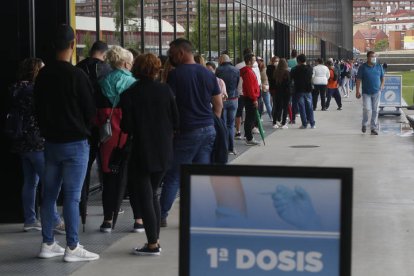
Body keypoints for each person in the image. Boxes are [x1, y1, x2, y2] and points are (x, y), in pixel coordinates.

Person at [34, 24, 98, 262]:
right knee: (72, 197)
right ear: (73, 45)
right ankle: (72, 247)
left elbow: (36, 109)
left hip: (51, 143)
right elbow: (90, 112)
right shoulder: (76, 75)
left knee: (48, 194)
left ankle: (48, 243)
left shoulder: (43, 75)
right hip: (75, 143)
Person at [159, 38, 222, 227]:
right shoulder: (207, 73)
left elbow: (169, 105)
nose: (170, 57)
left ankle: (161, 215)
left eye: (171, 54)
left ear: (181, 53)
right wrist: (212, 122)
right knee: (200, 176)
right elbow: (218, 104)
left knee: (175, 174)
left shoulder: (176, 75)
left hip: (187, 131)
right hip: (208, 129)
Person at [120, 53, 179, 255]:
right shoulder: (166, 91)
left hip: (141, 150)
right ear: (156, 69)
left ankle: (153, 243)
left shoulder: (129, 94)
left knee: (146, 196)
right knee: (152, 193)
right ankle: (154, 240)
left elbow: (126, 126)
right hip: (163, 150)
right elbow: (176, 121)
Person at [9, 58, 64, 233]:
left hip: (21, 142)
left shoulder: (15, 88)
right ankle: (55, 220)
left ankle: (30, 219)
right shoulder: (34, 90)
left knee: (30, 182)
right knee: (50, 182)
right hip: (37, 141)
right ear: (35, 71)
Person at [97, 45, 139, 232]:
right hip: (129, 135)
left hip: (109, 137)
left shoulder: (102, 82)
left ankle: (107, 220)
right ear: (124, 63)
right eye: (130, 63)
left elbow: (96, 114)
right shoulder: (134, 83)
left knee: (110, 179)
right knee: (135, 178)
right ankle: (139, 220)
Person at [76, 40, 112, 220]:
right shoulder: (106, 70)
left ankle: (81, 209)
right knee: (106, 167)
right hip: (103, 124)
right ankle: (109, 210)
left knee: (83, 170)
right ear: (104, 54)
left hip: (82, 124)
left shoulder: (78, 68)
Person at [356, 51, 384, 135]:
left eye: (374, 56)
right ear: (367, 57)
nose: (373, 58)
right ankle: (364, 124)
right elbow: (358, 79)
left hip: (376, 92)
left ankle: (373, 128)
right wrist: (357, 91)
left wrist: (382, 86)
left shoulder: (379, 66)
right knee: (367, 109)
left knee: (375, 110)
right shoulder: (362, 67)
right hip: (366, 92)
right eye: (372, 56)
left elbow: (382, 78)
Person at [216, 54, 240, 155]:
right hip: (234, 99)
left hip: (222, 99)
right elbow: (237, 83)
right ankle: (232, 147)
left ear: (221, 60)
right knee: (231, 125)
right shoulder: (236, 70)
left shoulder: (218, 70)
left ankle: (224, 148)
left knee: (223, 124)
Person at [240, 53, 261, 145]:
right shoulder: (248, 72)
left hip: (250, 97)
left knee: (250, 118)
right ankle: (249, 137)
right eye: (253, 60)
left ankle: (248, 136)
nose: (255, 61)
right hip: (250, 97)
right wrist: (254, 99)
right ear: (249, 61)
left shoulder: (248, 70)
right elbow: (250, 87)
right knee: (250, 118)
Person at [290, 54, 315, 129]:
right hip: (308, 90)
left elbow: (291, 78)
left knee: (302, 107)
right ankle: (312, 123)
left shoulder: (294, 69)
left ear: (298, 61)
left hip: (299, 90)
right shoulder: (310, 68)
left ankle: (304, 124)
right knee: (310, 107)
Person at [273, 58, 291, 129]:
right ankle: (283, 123)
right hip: (286, 92)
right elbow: (288, 83)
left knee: (277, 107)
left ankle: (275, 122)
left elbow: (274, 83)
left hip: (278, 92)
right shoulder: (287, 72)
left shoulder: (275, 72)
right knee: (285, 108)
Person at [257, 57, 272, 121]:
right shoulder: (261, 69)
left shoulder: (262, 70)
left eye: (259, 61)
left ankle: (271, 117)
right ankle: (271, 117)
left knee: (266, 103)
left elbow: (264, 79)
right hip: (262, 87)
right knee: (263, 104)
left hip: (263, 88)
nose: (258, 62)